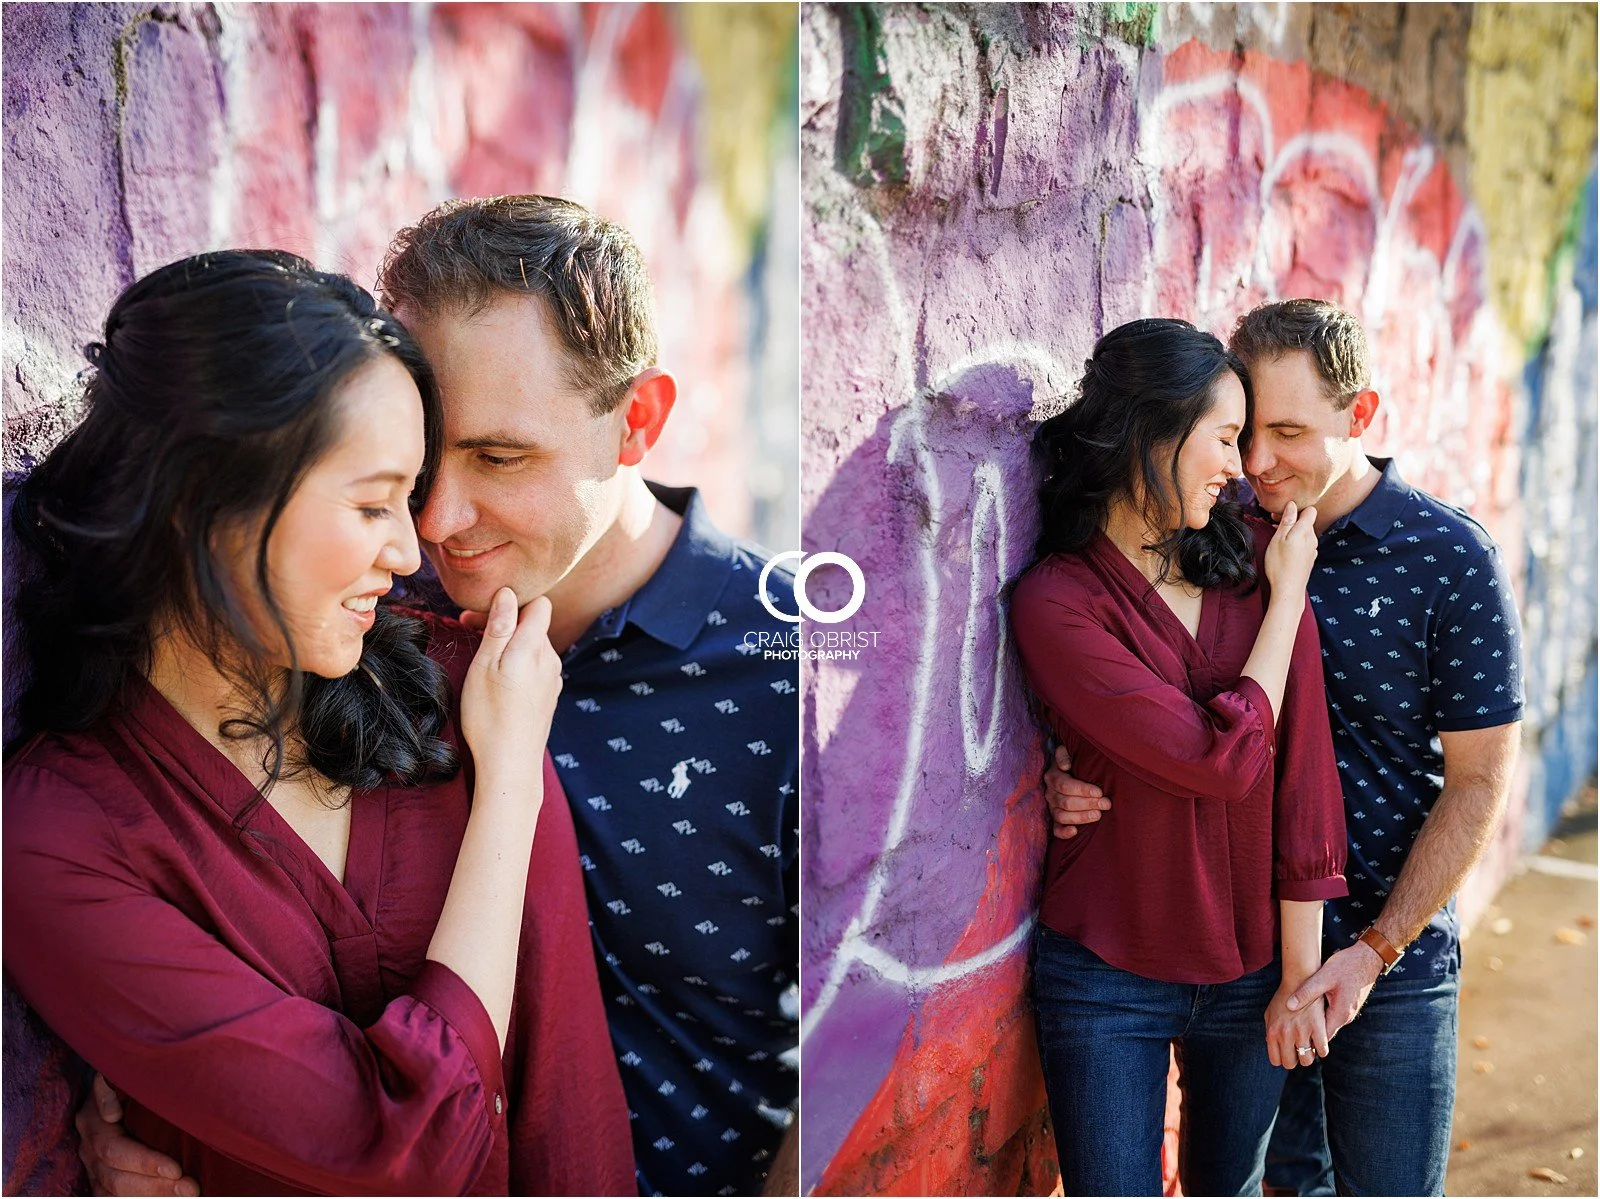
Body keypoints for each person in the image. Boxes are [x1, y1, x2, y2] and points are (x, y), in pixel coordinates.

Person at [75, 197, 800, 1198]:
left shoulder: (789, 666)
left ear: (637, 420)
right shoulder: (358, 615)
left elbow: (862, 1043)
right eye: (421, 458)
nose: (439, 520)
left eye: (499, 457)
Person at [2, 250, 635, 1195]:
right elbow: (401, 1147)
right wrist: (508, 791)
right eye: (374, 502)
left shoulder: (471, 693)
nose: (409, 546)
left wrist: (503, 771)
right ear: (206, 502)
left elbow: (567, 1100)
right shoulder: (59, 842)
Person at [1044, 299, 1524, 1196]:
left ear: (1361, 416)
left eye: (1290, 434)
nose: (1256, 463)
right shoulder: (1227, 537)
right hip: (1255, 954)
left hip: (1382, 955)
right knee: (1282, 1183)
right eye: (1246, 434)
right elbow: (1153, 690)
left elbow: (1481, 780)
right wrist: (1062, 769)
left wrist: (1371, 949)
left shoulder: (1446, 557)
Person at [1010, 317, 1349, 1197]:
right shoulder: (1058, 602)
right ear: (1153, 431)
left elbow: (1301, 780)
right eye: (1226, 437)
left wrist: (1297, 980)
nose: (1242, 466)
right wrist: (1286, 608)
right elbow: (1221, 761)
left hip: (1251, 978)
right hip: (1105, 978)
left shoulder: (1249, 563)